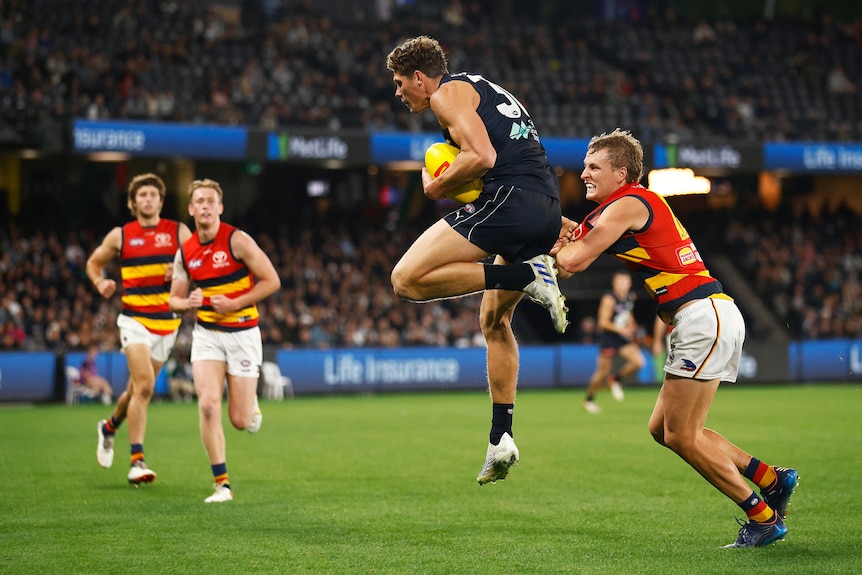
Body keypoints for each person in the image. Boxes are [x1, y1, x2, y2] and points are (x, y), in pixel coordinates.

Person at [553, 129, 798, 548]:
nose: (584, 173)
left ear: (621, 172)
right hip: (705, 315)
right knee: (662, 429)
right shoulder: (628, 205)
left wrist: (541, 242)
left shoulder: (628, 202)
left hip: (703, 317)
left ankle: (762, 517)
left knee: (681, 435)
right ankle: (771, 478)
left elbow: (572, 259)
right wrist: (558, 234)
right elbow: (576, 242)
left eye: (594, 166)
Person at [385, 36, 569, 486]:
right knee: (493, 321)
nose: (398, 92)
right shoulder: (482, 88)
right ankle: (500, 438)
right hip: (543, 205)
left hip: (510, 200)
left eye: (399, 82)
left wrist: (435, 187)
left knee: (405, 279)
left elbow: (482, 156)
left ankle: (526, 275)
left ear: (420, 78)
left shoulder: (446, 94)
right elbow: (508, 151)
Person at [169, 178, 280, 503]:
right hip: (207, 336)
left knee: (240, 420)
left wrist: (234, 303)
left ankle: (251, 404)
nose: (204, 206)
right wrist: (187, 301)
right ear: (191, 209)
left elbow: (272, 280)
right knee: (206, 405)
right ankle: (222, 484)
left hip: (243, 333)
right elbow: (173, 300)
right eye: (198, 201)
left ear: (220, 207)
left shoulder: (237, 240)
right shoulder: (186, 252)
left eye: (210, 201)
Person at [87, 173, 191, 485]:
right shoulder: (121, 235)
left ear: (161, 200)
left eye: (153, 194)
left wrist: (181, 270)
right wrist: (99, 281)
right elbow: (94, 262)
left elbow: (200, 266)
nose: (147, 199)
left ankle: (109, 428)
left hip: (168, 322)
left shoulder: (178, 231)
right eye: (141, 195)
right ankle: (137, 461)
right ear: (133, 203)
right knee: (145, 386)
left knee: (135, 390)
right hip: (134, 320)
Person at [582, 269, 645, 414]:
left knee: (638, 362)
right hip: (609, 338)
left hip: (622, 337)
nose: (623, 285)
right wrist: (621, 330)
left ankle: (615, 379)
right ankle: (589, 399)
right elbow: (603, 322)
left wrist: (632, 325)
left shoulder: (630, 296)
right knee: (602, 372)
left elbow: (627, 313)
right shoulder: (609, 299)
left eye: (625, 282)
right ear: (614, 283)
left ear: (629, 284)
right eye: (620, 282)